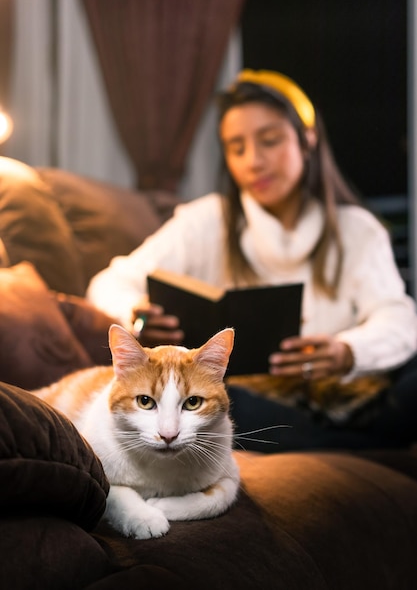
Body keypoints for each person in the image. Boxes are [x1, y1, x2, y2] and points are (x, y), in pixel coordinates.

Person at [87, 68, 417, 452]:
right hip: (266, 406)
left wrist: (347, 352)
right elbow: (109, 282)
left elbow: (399, 319)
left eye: (270, 140)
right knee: (232, 405)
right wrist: (139, 318)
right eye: (236, 147)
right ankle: (364, 449)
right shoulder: (206, 221)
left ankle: (348, 444)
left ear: (308, 139)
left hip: (353, 399)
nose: (254, 161)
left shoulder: (357, 229)